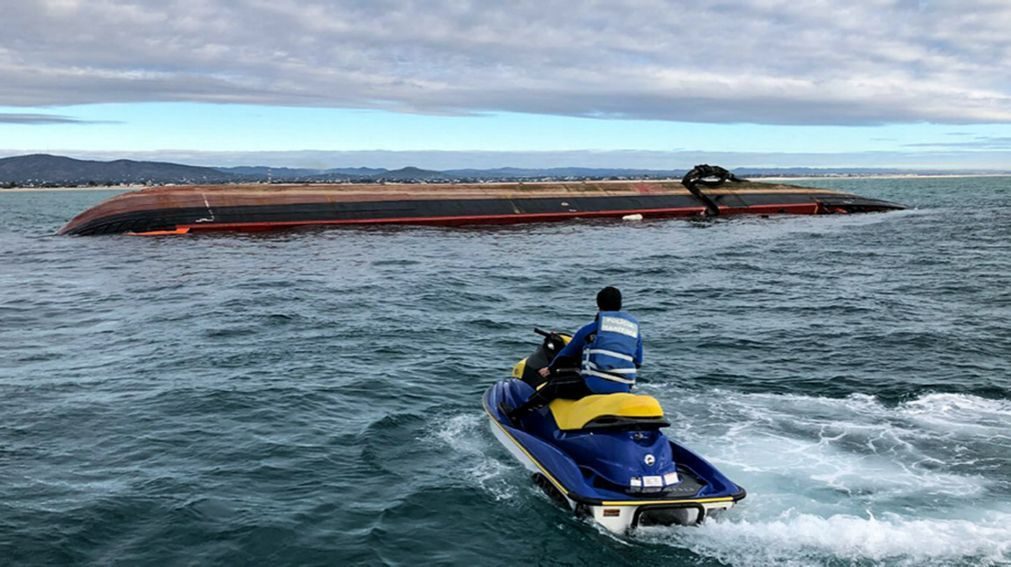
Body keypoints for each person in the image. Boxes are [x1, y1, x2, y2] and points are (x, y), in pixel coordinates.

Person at [506, 286, 643, 422]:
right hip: (624, 388)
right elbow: (638, 361)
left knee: (553, 387)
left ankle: (515, 416)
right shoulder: (633, 330)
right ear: (620, 305)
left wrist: (550, 369)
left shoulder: (591, 328)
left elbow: (566, 354)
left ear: (598, 305)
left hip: (595, 386)